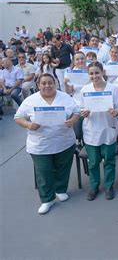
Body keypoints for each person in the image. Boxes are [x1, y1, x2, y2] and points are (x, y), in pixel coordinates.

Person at [14, 73, 80, 214]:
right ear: (38, 85)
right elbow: (18, 117)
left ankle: (61, 189)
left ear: (55, 83)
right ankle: (47, 199)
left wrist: (73, 120)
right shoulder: (31, 100)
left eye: (50, 82)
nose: (47, 86)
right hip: (40, 144)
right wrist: (28, 124)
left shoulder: (65, 98)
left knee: (63, 167)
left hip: (64, 141)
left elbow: (76, 112)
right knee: (44, 171)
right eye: (43, 83)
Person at [80, 62, 118, 201]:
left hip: (108, 127)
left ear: (102, 72)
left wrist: (116, 112)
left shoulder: (113, 88)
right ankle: (94, 186)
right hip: (91, 129)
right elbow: (81, 108)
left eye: (97, 72)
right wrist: (83, 113)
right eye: (91, 73)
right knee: (93, 161)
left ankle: (109, 186)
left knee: (109, 160)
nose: (94, 76)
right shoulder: (85, 89)